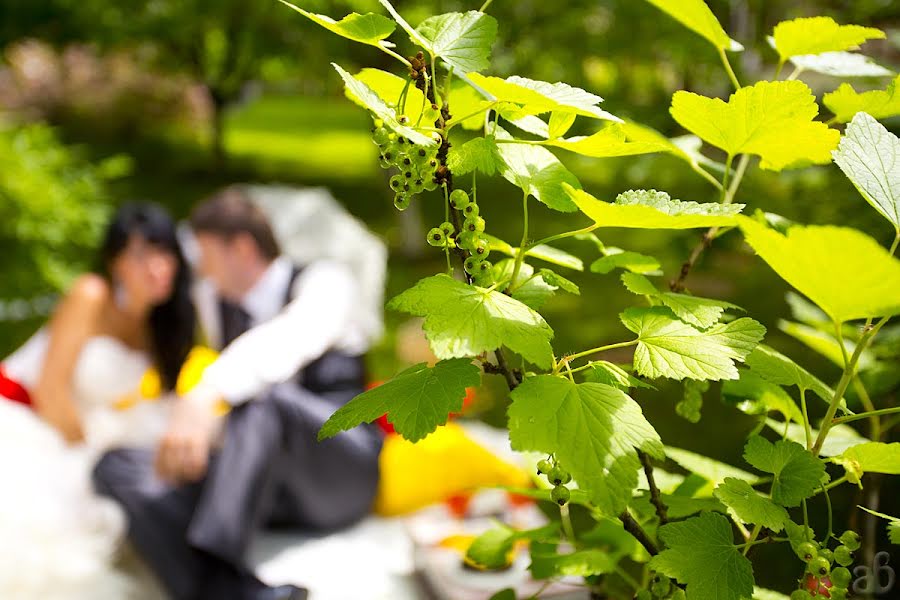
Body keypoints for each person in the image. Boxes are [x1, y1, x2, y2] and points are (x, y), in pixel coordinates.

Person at [93, 186, 384, 600]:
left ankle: (211, 568)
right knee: (116, 465)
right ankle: (229, 590)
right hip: (265, 482)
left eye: (206, 257)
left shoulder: (326, 283)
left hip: (340, 469)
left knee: (265, 402)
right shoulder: (214, 302)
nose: (201, 271)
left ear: (242, 248)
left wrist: (205, 394)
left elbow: (291, 340)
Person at [0, 202, 196, 599]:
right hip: (27, 418)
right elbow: (51, 390)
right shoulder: (91, 295)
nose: (157, 267)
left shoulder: (161, 327)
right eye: (142, 255)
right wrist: (86, 456)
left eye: (165, 253)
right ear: (115, 261)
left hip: (84, 431)